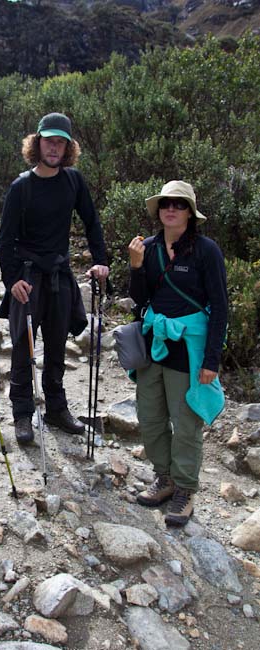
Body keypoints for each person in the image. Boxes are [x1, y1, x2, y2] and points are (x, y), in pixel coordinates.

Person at [0, 112, 109, 444]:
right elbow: (6, 240)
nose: (54, 147)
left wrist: (101, 261)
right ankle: (22, 414)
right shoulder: (21, 187)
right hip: (28, 279)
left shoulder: (74, 181)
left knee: (58, 345)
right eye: (49, 140)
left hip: (60, 276)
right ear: (37, 142)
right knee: (23, 347)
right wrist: (12, 280)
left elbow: (92, 223)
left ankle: (57, 410)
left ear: (68, 147)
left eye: (60, 142)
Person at [128, 180, 227, 526]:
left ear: (190, 213)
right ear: (158, 209)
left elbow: (220, 306)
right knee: (151, 416)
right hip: (155, 343)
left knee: (186, 423)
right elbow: (140, 300)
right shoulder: (148, 247)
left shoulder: (205, 250)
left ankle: (185, 489)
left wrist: (212, 360)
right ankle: (164, 478)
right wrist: (136, 266)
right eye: (166, 203)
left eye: (179, 204)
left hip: (188, 347)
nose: (171, 208)